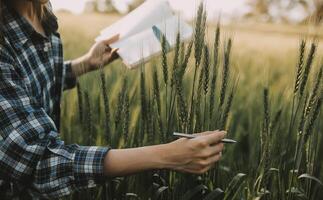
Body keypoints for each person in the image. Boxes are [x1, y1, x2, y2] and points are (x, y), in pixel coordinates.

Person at [0, 0, 225, 199]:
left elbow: (29, 84)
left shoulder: (41, 11)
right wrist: (167, 156)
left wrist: (84, 64)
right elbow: (39, 162)